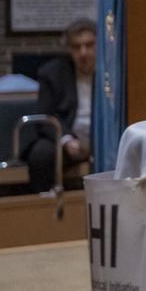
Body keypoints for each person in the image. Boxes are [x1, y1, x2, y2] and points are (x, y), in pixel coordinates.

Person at [22, 18, 96, 192]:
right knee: (41, 154)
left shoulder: (113, 72)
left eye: (89, 45)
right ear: (69, 50)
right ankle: (45, 202)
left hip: (102, 139)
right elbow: (45, 116)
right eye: (77, 47)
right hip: (70, 140)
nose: (83, 53)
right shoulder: (52, 73)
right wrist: (67, 140)